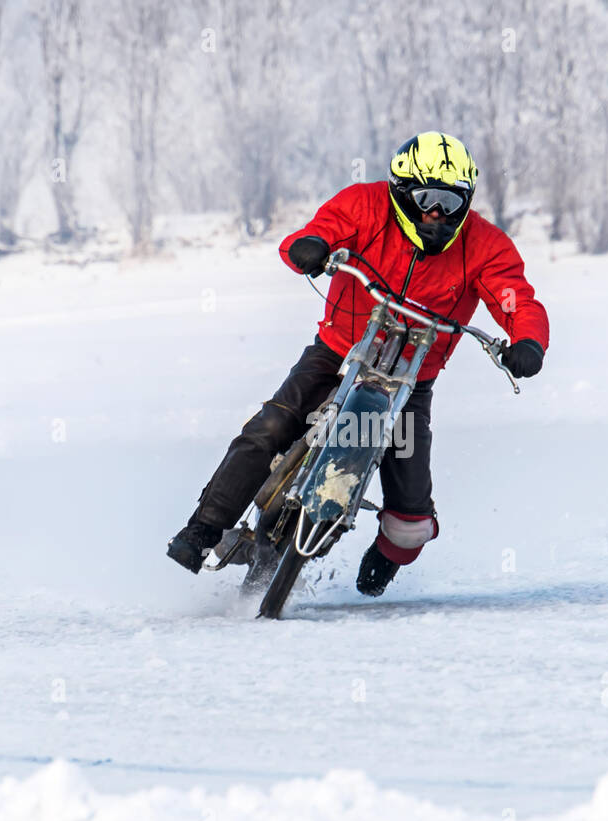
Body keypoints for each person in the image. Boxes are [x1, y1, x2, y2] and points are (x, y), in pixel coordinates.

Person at [167, 131, 549, 596]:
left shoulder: (484, 245)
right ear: (402, 192)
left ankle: (383, 563)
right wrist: (310, 248)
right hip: (337, 354)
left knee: (411, 520)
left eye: (451, 202)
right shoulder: (364, 206)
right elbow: (312, 234)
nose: (436, 213)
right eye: (427, 199)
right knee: (270, 427)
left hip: (412, 383)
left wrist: (528, 342)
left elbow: (516, 299)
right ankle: (203, 530)